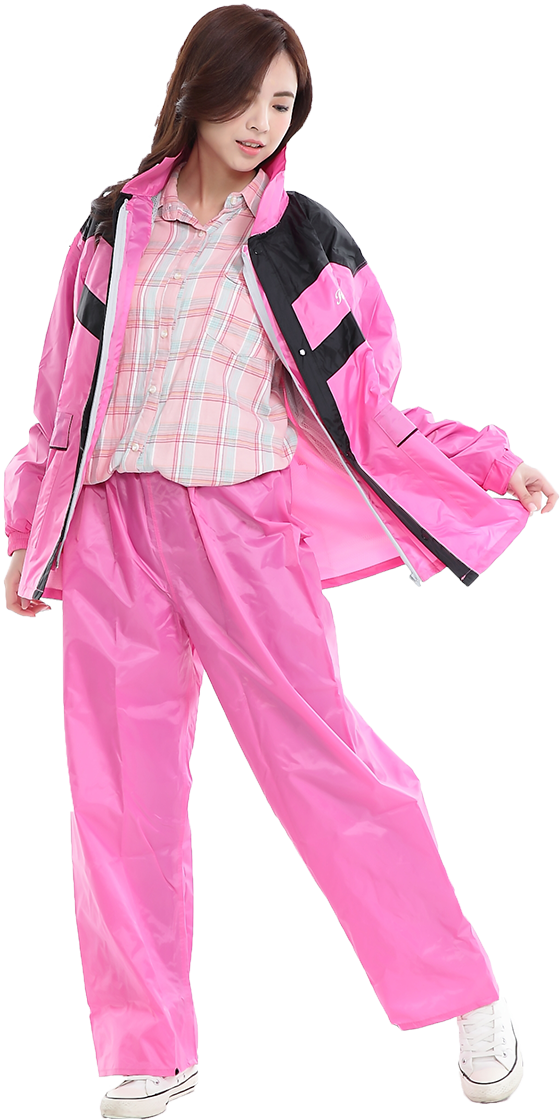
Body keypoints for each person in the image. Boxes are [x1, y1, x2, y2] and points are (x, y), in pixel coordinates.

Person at [3, 5, 557, 1115]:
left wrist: (490, 460)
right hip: (112, 531)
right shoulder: (109, 229)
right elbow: (59, 401)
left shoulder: (307, 241)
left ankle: (465, 998)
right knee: (119, 794)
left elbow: (373, 408)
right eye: (246, 96)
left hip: (244, 532)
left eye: (283, 104)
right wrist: (28, 532)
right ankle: (149, 1052)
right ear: (196, 89)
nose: (262, 122)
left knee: (330, 768)